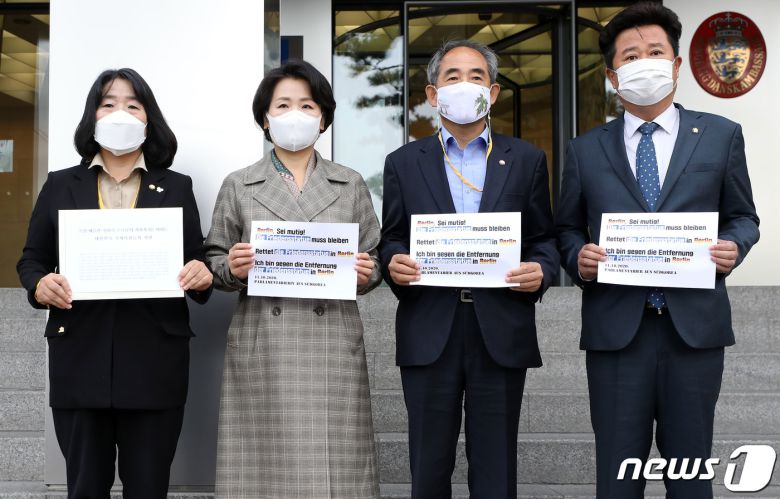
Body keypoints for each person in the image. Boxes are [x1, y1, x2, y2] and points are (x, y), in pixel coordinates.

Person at [556, 3, 760, 498]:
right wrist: (579, 258)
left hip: (693, 332)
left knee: (690, 477)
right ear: (612, 76)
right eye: (630, 56)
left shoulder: (720, 136)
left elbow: (743, 217)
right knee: (617, 478)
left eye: (654, 52)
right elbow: (565, 229)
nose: (643, 63)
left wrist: (734, 246)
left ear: (675, 64)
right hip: (616, 334)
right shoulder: (584, 149)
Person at [16, 68, 213, 499]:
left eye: (132, 105)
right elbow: (32, 259)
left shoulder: (176, 186)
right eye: (108, 104)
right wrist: (39, 285)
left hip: (155, 360)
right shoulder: (60, 184)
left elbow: (195, 259)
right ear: (92, 116)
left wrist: (201, 274)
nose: (120, 113)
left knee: (148, 488)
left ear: (149, 120)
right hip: (80, 357)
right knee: (85, 488)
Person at [380, 39, 559, 498]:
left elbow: (543, 240)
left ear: (493, 92)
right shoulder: (403, 162)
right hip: (429, 326)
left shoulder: (526, 159)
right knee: (428, 466)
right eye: (452, 76)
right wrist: (393, 262)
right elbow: (392, 237)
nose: (464, 84)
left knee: (496, 467)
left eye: (476, 76)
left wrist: (541, 270)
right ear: (433, 94)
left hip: (499, 327)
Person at [205, 59, 381, 499]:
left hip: (331, 340)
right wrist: (232, 268)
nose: (295, 114)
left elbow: (374, 256)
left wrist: (366, 272)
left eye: (307, 105)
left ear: (323, 117)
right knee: (262, 468)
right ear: (265, 118)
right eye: (282, 105)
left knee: (337, 465)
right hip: (264, 339)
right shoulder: (239, 184)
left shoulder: (350, 183)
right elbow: (214, 259)